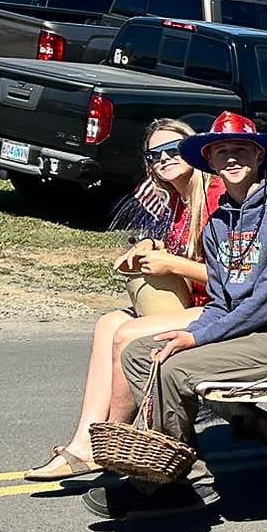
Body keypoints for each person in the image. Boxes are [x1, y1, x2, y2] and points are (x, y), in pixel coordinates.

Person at [83, 111, 267, 520]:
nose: (231, 159)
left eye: (240, 150)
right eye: (221, 152)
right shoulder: (218, 222)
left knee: (176, 370)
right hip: (248, 335)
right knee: (141, 354)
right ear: (210, 162)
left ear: (259, 155)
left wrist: (197, 338)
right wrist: (197, 329)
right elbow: (220, 300)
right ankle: (164, 465)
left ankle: (172, 482)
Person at [24, 119, 224, 481]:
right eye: (155, 155)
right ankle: (85, 443)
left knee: (127, 333)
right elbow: (186, 254)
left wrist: (171, 263)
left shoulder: (215, 198)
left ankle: (115, 440)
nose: (164, 160)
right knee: (108, 323)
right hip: (197, 305)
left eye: (172, 150)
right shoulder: (180, 201)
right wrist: (152, 246)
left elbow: (234, 279)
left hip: (223, 310)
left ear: (194, 150)